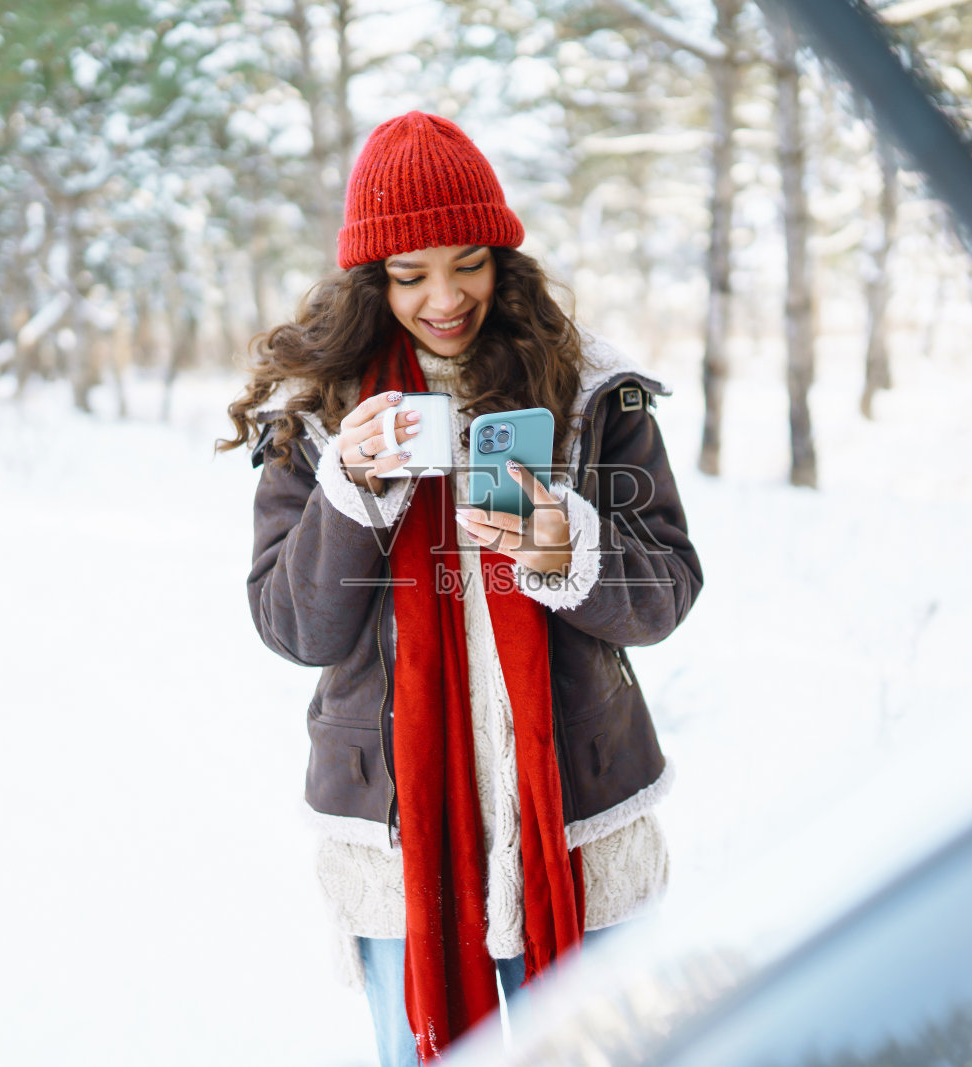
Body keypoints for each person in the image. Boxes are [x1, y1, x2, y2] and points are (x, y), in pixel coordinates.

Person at [220, 111, 703, 1065]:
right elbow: (295, 628)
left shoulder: (591, 389)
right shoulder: (313, 412)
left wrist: (568, 547)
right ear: (371, 278)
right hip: (400, 844)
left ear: (502, 259)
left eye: (469, 264)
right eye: (410, 275)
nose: (445, 298)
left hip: (578, 822)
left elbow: (667, 590)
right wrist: (348, 490)